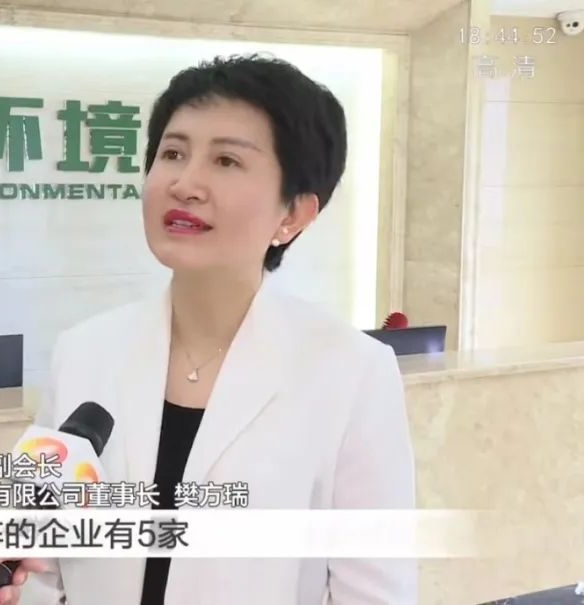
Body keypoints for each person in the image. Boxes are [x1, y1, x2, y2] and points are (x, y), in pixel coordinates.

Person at [23, 53, 417, 604]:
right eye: (173, 153)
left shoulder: (352, 372)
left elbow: (375, 591)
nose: (185, 183)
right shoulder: (84, 351)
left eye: (227, 161)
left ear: (294, 214)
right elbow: (36, 562)